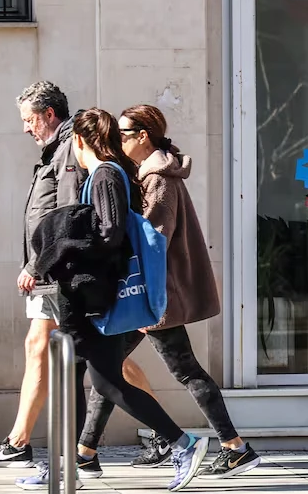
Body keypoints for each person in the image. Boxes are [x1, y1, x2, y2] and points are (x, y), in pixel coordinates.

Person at [18, 108, 210, 491]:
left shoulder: (105, 175)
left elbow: (109, 235)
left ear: (78, 141)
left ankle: (183, 443)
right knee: (79, 377)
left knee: (107, 384)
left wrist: (58, 249)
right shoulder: (103, 174)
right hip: (86, 295)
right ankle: (67, 463)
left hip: (93, 296)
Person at [75, 105, 261, 479]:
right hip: (152, 295)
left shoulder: (159, 179)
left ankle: (235, 447)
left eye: (122, 135)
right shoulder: (147, 175)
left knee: (181, 371)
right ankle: (85, 452)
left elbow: (153, 242)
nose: (117, 141)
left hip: (156, 296)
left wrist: (144, 300)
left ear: (143, 136)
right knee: (108, 370)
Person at [0, 82, 87, 469]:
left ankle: (20, 442)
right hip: (51, 271)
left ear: (49, 114)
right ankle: (167, 434)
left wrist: (38, 265)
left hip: (57, 272)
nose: (25, 128)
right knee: (101, 355)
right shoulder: (58, 148)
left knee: (48, 348)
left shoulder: (68, 148)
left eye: (29, 120)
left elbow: (70, 215)